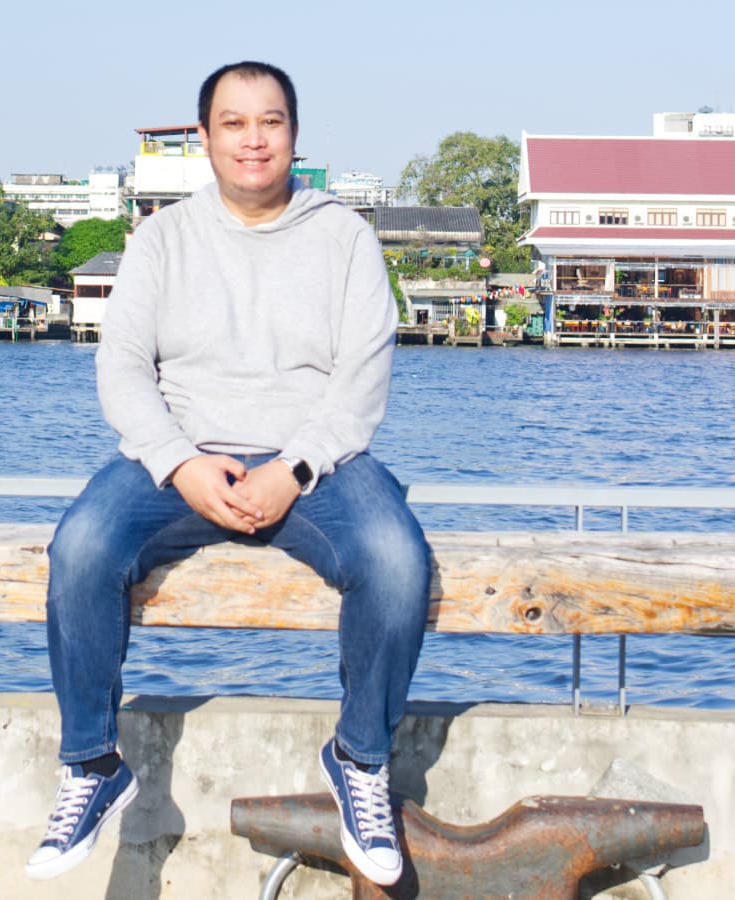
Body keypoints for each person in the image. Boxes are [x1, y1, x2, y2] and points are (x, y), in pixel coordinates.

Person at [24, 61, 433, 887]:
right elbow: (123, 369)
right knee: (82, 548)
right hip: (180, 453)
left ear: (294, 135)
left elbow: (364, 376)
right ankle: (92, 765)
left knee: (397, 562)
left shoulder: (343, 236)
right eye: (234, 123)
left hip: (317, 461)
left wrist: (295, 466)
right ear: (203, 138)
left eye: (271, 122)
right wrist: (177, 464)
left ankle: (359, 760)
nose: (254, 139)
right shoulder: (163, 238)